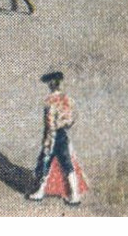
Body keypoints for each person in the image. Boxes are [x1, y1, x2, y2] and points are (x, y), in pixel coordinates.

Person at [29, 71, 86, 205]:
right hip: (63, 134)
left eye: (49, 83)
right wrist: (63, 125)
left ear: (50, 84)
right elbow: (71, 120)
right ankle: (75, 195)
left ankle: (40, 192)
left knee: (46, 162)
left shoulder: (49, 101)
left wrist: (48, 141)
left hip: (53, 135)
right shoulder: (68, 99)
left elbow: (49, 124)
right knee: (67, 164)